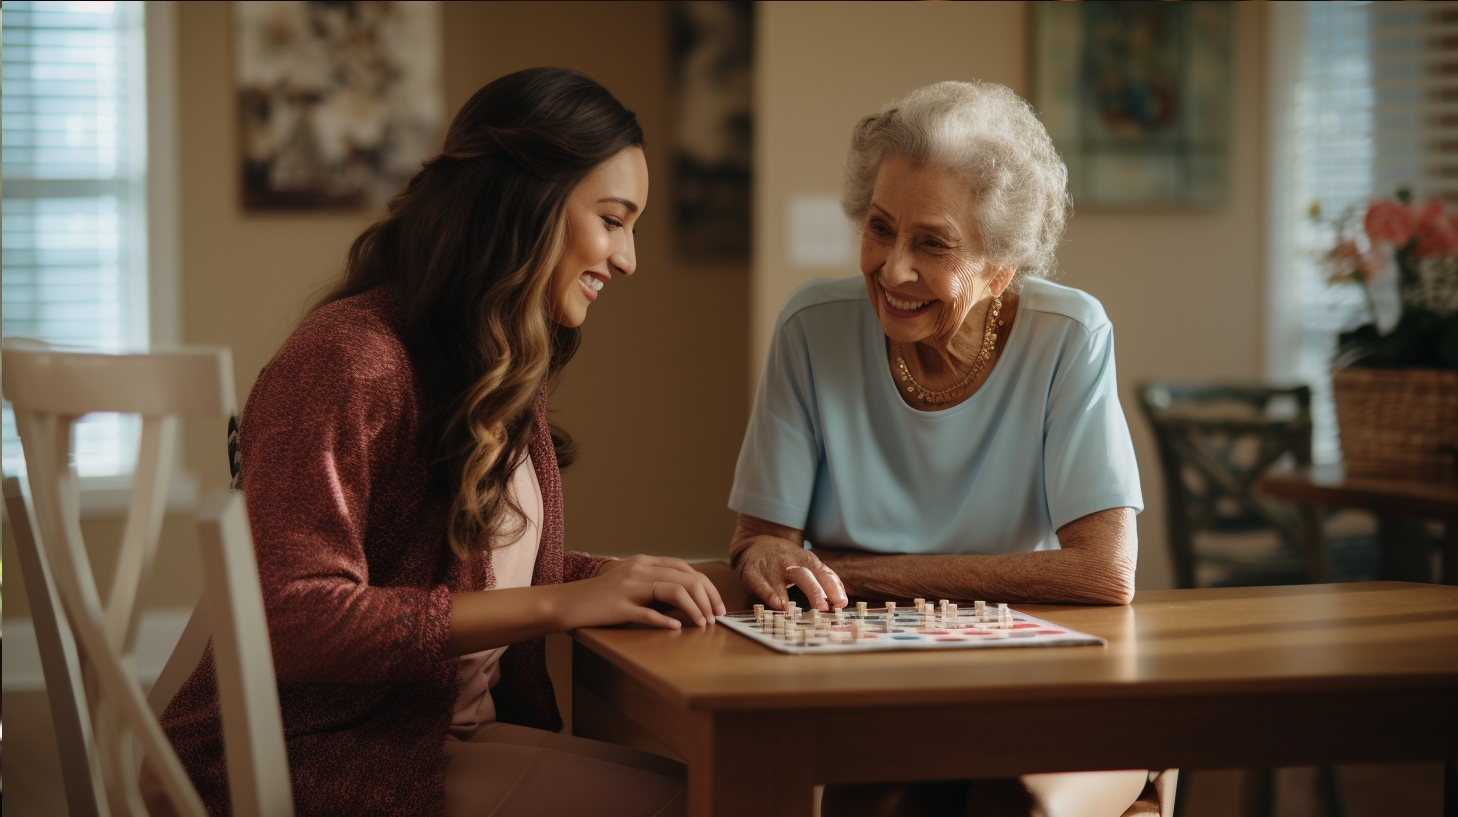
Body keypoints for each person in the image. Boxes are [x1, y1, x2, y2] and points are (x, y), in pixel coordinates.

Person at [146, 67, 722, 817]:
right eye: (613, 219)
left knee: (707, 788)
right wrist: (560, 604)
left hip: (418, 738)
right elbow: (291, 615)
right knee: (700, 801)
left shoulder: (489, 360)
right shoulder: (349, 357)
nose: (627, 258)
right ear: (527, 202)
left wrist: (655, 577)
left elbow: (482, 570)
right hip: (313, 754)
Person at [728, 80, 1162, 817]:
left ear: (1000, 267)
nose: (893, 269)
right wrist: (763, 556)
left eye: (931, 244)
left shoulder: (1069, 336)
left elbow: (1103, 571)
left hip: (1036, 680)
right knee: (870, 805)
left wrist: (854, 578)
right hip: (874, 689)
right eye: (879, 228)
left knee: (1014, 802)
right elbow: (759, 542)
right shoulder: (812, 330)